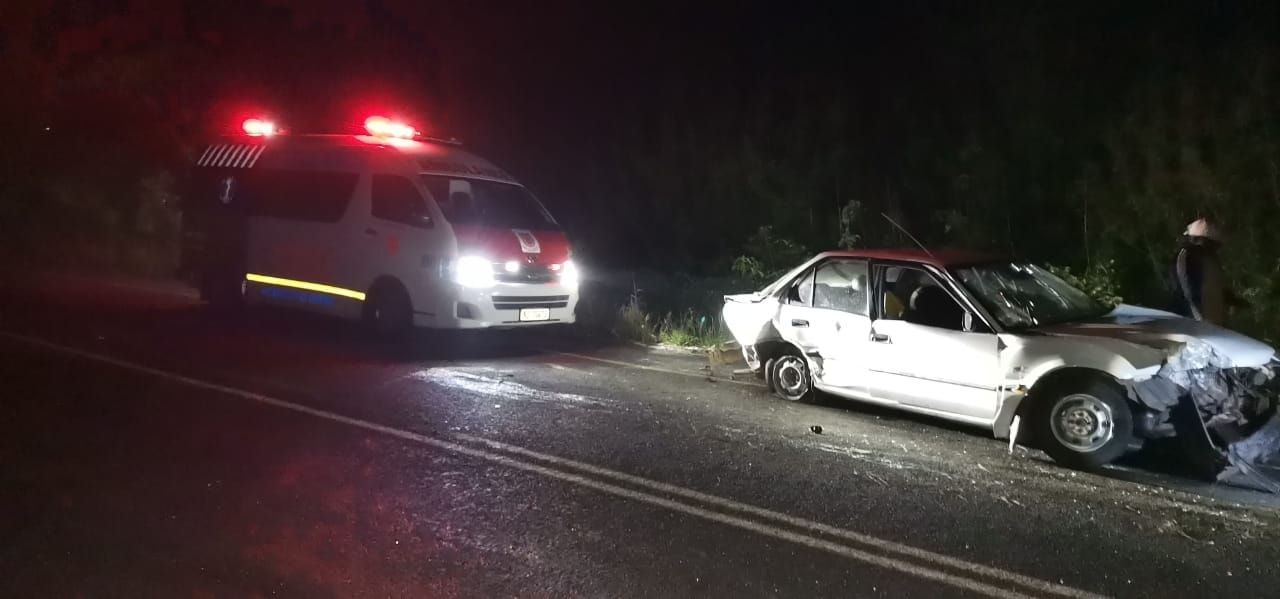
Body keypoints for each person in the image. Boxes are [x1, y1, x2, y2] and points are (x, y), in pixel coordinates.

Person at [1169, 217, 1245, 324]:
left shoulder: (1209, 259)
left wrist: (1233, 300)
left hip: (1213, 323)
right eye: (1213, 244)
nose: (1216, 248)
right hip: (1196, 325)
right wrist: (1200, 320)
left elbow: (1216, 286)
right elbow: (1187, 292)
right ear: (1198, 240)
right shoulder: (1186, 258)